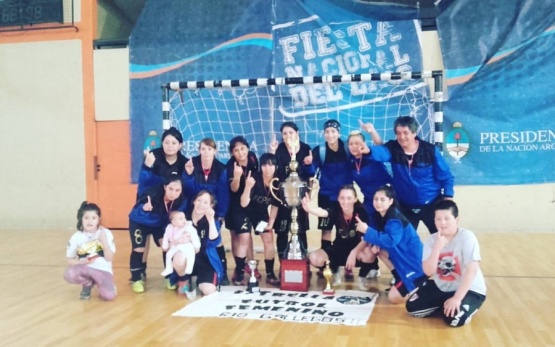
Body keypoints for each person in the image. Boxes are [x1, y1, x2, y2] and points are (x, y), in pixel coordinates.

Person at [405, 200, 486, 327]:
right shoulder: (432, 240)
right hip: (443, 287)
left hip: (470, 289)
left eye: (447, 219)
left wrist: (457, 298)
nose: (442, 223)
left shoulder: (467, 237)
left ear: (456, 219)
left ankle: (462, 305)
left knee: (454, 320)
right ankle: (446, 306)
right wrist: (437, 248)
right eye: (438, 219)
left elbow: (472, 270)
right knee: (412, 308)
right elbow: (428, 271)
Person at [369, 116, 455, 234]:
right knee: (403, 243)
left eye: (405, 133)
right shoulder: (393, 148)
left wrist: (448, 199)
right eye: (398, 133)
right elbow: (381, 153)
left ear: (414, 133)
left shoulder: (430, 150)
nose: (402, 137)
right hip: (405, 206)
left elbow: (447, 177)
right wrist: (368, 151)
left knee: (443, 239)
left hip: (432, 204)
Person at [353, 184, 426, 303]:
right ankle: (399, 277)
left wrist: (366, 230)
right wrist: (373, 243)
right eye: (376, 199)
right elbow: (377, 236)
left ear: (391, 201)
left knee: (393, 298)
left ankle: (419, 284)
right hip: (400, 257)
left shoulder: (394, 217)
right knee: (373, 251)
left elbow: (391, 241)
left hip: (412, 261)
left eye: (382, 199)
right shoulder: (378, 216)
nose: (378, 203)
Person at [136, 127, 189, 281]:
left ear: (180, 145)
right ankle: (140, 271)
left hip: (170, 208)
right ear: (162, 143)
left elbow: (184, 189)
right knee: (143, 238)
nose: (170, 145)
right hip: (151, 204)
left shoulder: (184, 163)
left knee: (169, 238)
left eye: (174, 142)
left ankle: (171, 273)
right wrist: (147, 166)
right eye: (166, 142)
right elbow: (143, 183)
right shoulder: (152, 157)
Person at [301, 185, 375, 291]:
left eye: (349, 198)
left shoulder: (362, 212)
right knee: (314, 258)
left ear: (355, 199)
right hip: (338, 250)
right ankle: (335, 271)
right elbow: (324, 212)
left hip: (357, 250)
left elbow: (367, 238)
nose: (345, 202)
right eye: (342, 198)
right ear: (338, 198)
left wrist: (354, 252)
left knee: (370, 253)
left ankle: (362, 276)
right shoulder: (336, 208)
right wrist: (309, 209)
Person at [128, 174, 188, 293]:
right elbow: (136, 210)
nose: (173, 193)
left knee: (166, 246)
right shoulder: (151, 193)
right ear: (165, 187)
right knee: (139, 249)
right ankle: (136, 279)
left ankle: (169, 276)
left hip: (159, 223)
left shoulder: (182, 200)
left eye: (177, 190)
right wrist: (144, 209)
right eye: (171, 189)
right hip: (140, 222)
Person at [183, 138, 231, 284]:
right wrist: (189, 175)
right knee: (191, 239)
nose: (206, 152)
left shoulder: (221, 169)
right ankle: (186, 273)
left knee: (216, 241)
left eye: (209, 149)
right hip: (194, 209)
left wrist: (221, 214)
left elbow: (223, 193)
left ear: (215, 151)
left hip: (212, 211)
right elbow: (188, 190)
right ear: (199, 150)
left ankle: (222, 271)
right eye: (203, 149)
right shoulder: (192, 164)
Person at [347, 124, 392, 280]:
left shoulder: (372, 155)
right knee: (368, 235)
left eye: (358, 143)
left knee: (388, 236)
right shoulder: (351, 162)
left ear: (364, 144)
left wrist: (372, 131)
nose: (354, 146)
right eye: (351, 144)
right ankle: (372, 266)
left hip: (385, 202)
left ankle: (398, 272)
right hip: (369, 202)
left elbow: (380, 146)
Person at [309, 120, 353, 277]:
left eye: (333, 132)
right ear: (324, 134)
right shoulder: (319, 150)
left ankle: (348, 264)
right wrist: (308, 164)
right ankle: (327, 266)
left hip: (345, 197)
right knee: (326, 230)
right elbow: (312, 171)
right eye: (327, 132)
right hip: (326, 196)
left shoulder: (348, 148)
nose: (330, 135)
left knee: (348, 230)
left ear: (339, 133)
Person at [269, 121, 314, 260]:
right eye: (285, 133)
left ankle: (303, 261)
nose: (288, 135)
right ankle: (283, 264)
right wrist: (272, 153)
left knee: (300, 231)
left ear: (297, 133)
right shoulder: (279, 149)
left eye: (291, 132)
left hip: (300, 197)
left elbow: (311, 174)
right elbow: (273, 172)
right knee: (282, 232)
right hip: (283, 197)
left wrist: (309, 195)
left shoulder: (306, 148)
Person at [240, 153, 281, 286]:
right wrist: (247, 187)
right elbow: (244, 204)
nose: (267, 168)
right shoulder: (253, 178)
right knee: (246, 238)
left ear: (275, 166)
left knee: (269, 240)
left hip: (260, 214)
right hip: (245, 212)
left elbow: (275, 205)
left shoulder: (277, 182)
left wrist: (271, 223)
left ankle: (270, 273)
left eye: (271, 165)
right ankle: (250, 266)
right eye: (264, 165)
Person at [225, 136, 261, 284]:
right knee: (237, 237)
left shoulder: (252, 158)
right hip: (234, 205)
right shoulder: (231, 165)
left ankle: (250, 264)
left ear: (247, 148)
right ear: (232, 153)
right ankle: (238, 267)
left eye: (242, 149)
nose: (240, 153)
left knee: (247, 235)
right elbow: (233, 189)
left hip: (250, 204)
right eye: (236, 150)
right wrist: (237, 177)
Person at [64, 201, 116, 301]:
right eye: (86, 218)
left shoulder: (106, 233)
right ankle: (87, 283)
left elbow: (109, 258)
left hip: (103, 271)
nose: (89, 221)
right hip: (85, 268)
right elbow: (69, 259)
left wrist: (104, 241)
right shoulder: (76, 237)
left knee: (108, 296)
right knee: (69, 274)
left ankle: (101, 283)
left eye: (93, 218)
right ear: (81, 219)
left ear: (98, 220)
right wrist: (82, 262)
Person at [176, 190, 224, 298]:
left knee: (208, 290)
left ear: (211, 206)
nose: (201, 204)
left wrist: (211, 220)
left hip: (205, 262)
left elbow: (214, 241)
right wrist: (179, 239)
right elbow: (170, 238)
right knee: (178, 258)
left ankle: (202, 280)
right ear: (194, 201)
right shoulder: (183, 218)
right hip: (188, 259)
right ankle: (184, 280)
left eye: (206, 202)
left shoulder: (213, 220)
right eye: (199, 200)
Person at [160, 211, 201, 277]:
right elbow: (166, 237)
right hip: (175, 246)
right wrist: (165, 246)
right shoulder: (169, 228)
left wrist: (197, 246)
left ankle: (189, 267)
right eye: (181, 218)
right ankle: (168, 268)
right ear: (173, 222)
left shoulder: (188, 227)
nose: (184, 220)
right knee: (168, 254)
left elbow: (194, 236)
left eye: (184, 218)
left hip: (186, 245)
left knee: (190, 255)